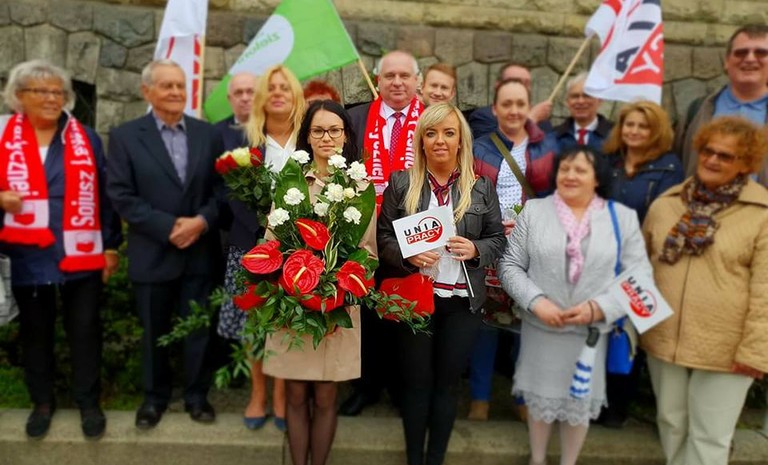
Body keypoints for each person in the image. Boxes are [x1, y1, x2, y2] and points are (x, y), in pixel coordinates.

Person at [497, 147, 652, 465]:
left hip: (589, 332)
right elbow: (510, 265)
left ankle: (569, 461)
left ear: (598, 178)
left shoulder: (620, 218)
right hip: (542, 326)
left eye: (580, 170)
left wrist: (598, 308)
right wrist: (536, 302)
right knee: (539, 399)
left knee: (579, 403)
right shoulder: (535, 211)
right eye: (565, 168)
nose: (570, 175)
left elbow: (639, 276)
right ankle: (537, 459)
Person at [378, 103, 506, 465]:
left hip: (462, 302)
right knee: (416, 383)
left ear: (461, 141)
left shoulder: (481, 187)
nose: (440, 141)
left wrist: (476, 249)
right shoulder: (401, 183)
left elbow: (498, 239)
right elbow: (383, 238)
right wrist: (408, 256)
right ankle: (414, 459)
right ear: (420, 141)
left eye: (449, 133)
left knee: (447, 385)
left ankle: (435, 459)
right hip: (417, 297)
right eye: (431, 133)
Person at [0, 59, 121, 440]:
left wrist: (112, 247)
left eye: (58, 92)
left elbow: (104, 195)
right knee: (35, 332)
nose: (53, 98)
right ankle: (42, 403)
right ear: (19, 96)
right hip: (25, 254)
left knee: (85, 330)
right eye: (42, 91)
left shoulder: (85, 137)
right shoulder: (2, 135)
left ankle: (88, 403)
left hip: (81, 252)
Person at [641, 116, 768, 465]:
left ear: (746, 163)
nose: (712, 160)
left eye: (725, 156)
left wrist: (756, 353)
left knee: (709, 437)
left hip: (726, 348)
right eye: (708, 151)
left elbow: (765, 291)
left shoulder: (761, 214)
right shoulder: (666, 204)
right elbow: (640, 268)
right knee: (671, 425)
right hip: (664, 337)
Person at [107, 59, 223, 430]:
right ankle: (154, 399)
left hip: (199, 252)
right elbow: (120, 194)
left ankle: (196, 396)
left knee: (197, 331)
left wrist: (201, 221)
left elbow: (222, 190)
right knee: (154, 334)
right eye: (167, 85)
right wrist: (168, 226)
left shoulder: (208, 134)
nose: (175, 92)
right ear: (147, 91)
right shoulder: (125, 136)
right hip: (153, 252)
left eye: (179, 85)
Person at [262, 100, 374, 465]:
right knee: (295, 395)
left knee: (326, 397)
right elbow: (271, 241)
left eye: (334, 130)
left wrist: (337, 287)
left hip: (337, 304)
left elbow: (368, 253)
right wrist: (291, 283)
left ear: (346, 135)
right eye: (318, 130)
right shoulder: (291, 181)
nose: (327, 138)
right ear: (307, 137)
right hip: (293, 303)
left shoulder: (360, 187)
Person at [218, 64, 306, 431]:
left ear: (295, 94)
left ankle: (282, 395)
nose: (278, 93)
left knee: (286, 323)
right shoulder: (245, 139)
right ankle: (258, 393)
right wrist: (265, 229)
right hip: (252, 244)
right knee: (254, 324)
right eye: (271, 88)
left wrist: (296, 234)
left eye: (285, 87)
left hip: (300, 247)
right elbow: (233, 196)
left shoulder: (308, 137)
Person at [341, 50, 425, 416]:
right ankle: (366, 386)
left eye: (405, 75)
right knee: (366, 312)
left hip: (415, 233)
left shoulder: (432, 119)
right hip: (365, 232)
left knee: (406, 313)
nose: (397, 82)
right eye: (389, 75)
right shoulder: (356, 118)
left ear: (418, 81)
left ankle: (403, 389)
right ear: (377, 80)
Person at [468, 77, 556, 421]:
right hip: (490, 246)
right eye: (507, 104)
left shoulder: (546, 149)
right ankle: (479, 397)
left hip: (532, 249)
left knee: (527, 324)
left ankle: (522, 398)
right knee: (486, 325)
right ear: (495, 109)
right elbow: (468, 194)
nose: (514, 110)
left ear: (529, 108)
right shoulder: (480, 148)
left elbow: (559, 197)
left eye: (521, 104)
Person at [597, 100, 683, 428]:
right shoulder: (609, 161)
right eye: (629, 124)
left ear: (656, 131)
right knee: (598, 331)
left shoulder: (669, 168)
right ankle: (593, 401)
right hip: (600, 260)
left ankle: (617, 408)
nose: (634, 131)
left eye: (643, 126)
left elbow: (667, 219)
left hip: (639, 265)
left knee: (628, 337)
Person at [676, 24, 768, 184]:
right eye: (741, 52)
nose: (750, 58)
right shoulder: (697, 110)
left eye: (761, 53)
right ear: (727, 61)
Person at [469, 62, 553, 139]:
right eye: (515, 81)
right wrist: (531, 120)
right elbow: (489, 148)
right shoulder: (482, 117)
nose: (522, 87)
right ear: (498, 86)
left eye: (527, 83)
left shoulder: (542, 121)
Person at [551, 72, 613, 155]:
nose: (580, 101)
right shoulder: (554, 136)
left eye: (587, 96)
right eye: (575, 96)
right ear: (567, 102)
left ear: (600, 100)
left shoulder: (614, 135)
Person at [214, 72, 258, 151]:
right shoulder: (215, 133)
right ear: (230, 99)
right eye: (238, 93)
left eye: (250, 92)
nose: (245, 98)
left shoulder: (272, 129)